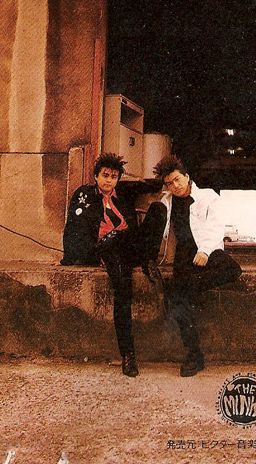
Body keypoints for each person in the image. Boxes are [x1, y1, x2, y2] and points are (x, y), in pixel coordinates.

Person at [60, 153, 164, 378]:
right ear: (96, 176)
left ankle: (148, 258)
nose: (109, 180)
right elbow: (75, 227)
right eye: (105, 175)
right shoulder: (85, 195)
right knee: (123, 291)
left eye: (114, 176)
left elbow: (135, 222)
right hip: (107, 249)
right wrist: (75, 256)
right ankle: (128, 355)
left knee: (158, 209)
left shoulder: (122, 197)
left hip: (128, 245)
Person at [151, 155, 242, 377]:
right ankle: (194, 354)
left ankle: (191, 285)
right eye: (169, 183)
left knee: (232, 269)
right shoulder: (167, 201)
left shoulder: (208, 197)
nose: (174, 186)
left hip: (207, 248)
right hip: (184, 255)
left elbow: (216, 226)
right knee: (178, 299)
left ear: (187, 177)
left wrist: (205, 251)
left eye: (177, 180)